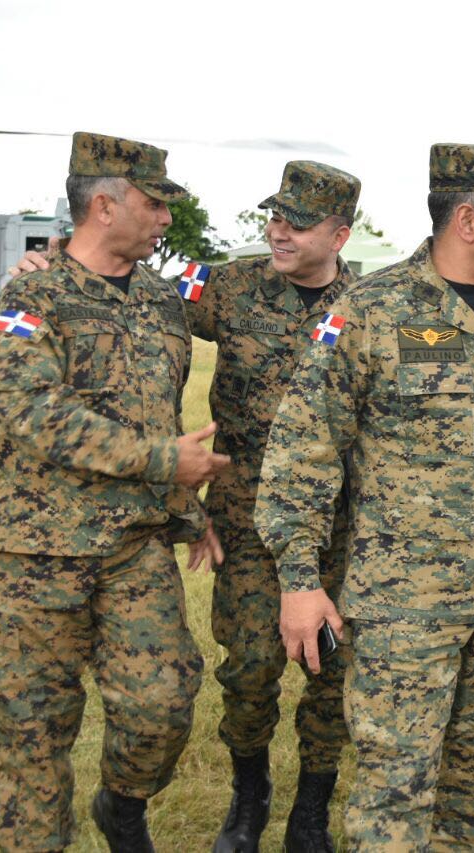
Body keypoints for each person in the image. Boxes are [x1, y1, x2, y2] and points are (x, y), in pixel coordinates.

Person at [253, 143, 474, 850]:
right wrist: (300, 580)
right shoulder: (371, 311)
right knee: (395, 794)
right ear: (468, 221)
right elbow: (303, 452)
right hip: (406, 613)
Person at [0, 132, 230, 852]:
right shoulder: (32, 293)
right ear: (105, 205)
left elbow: (158, 415)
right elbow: (27, 411)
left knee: (165, 701)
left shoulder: (158, 300)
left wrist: (187, 510)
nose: (165, 218)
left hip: (130, 546)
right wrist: (159, 463)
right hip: (30, 555)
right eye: (154, 203)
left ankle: (121, 803)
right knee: (34, 731)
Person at [185, 161, 361, 853]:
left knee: (331, 670)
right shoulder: (224, 285)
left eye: (298, 222)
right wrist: (36, 275)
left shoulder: (370, 307)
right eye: (274, 217)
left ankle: (311, 808)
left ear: (340, 233)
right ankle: (249, 792)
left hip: (339, 526)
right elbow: (132, 298)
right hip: (246, 515)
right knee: (252, 662)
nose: (278, 231)